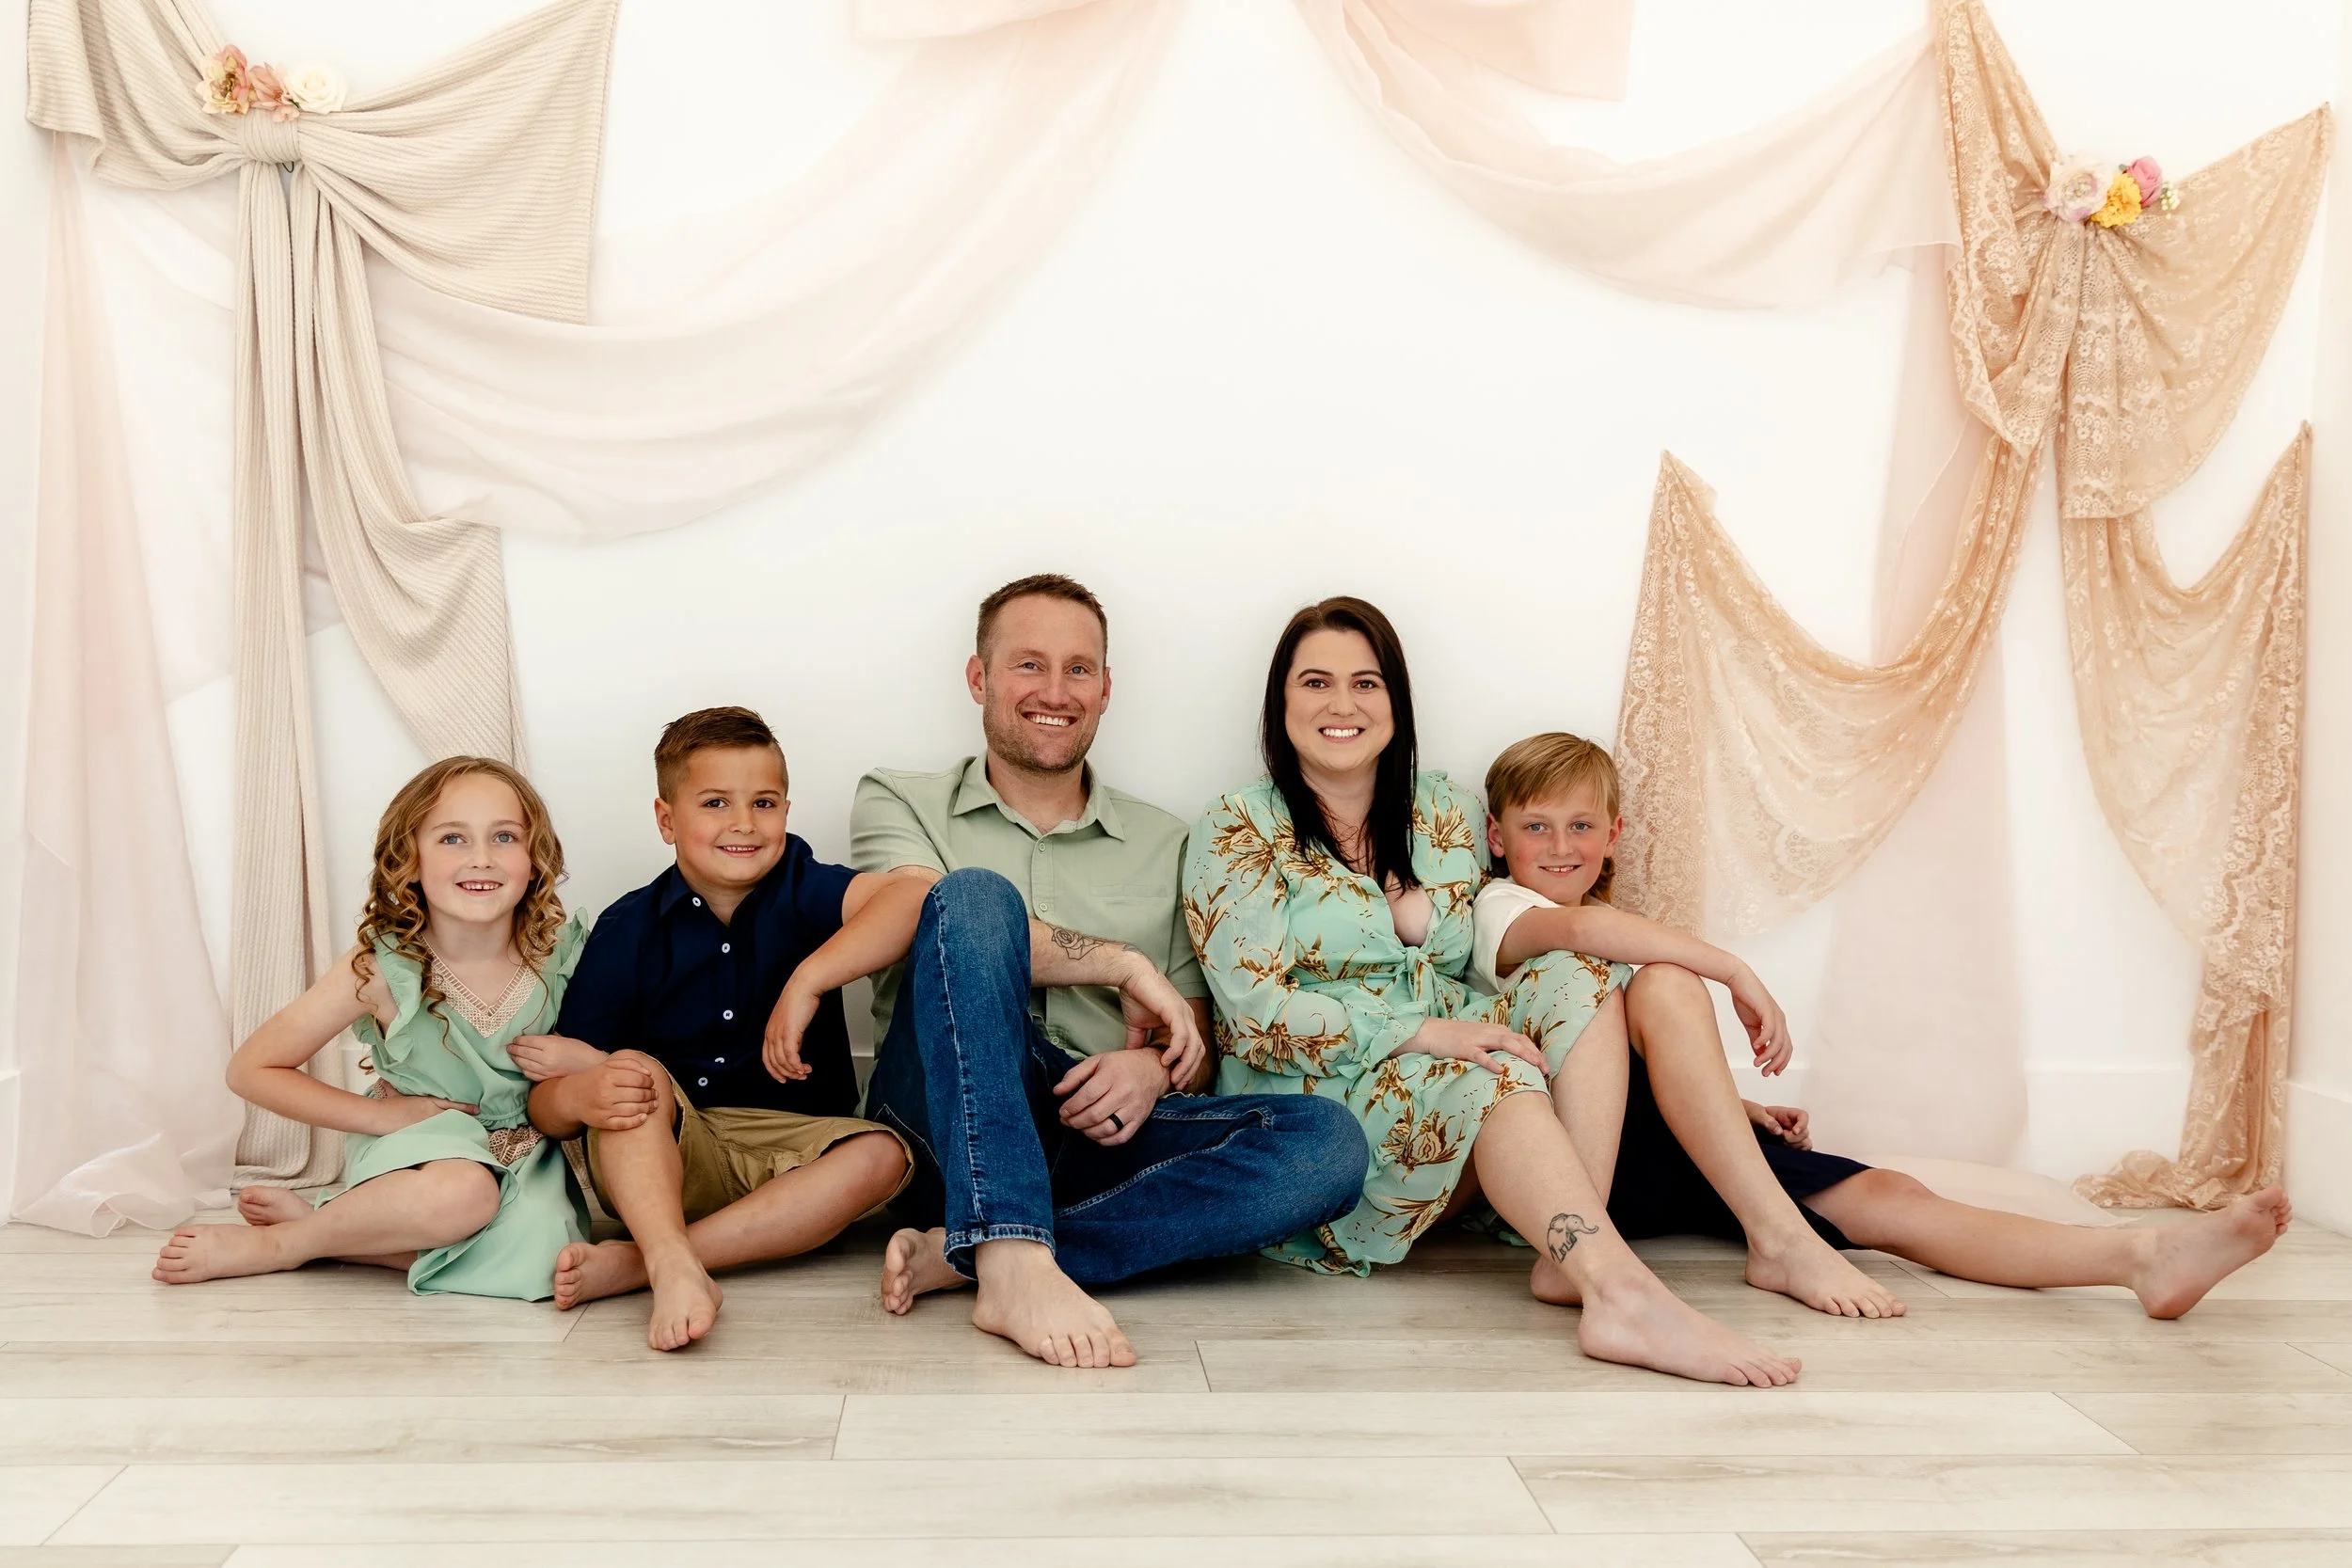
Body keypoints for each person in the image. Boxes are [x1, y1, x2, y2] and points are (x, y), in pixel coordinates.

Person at [1186, 596, 1800, 1387]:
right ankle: (1621, 1295)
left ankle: (1570, 1249)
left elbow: (1511, 952)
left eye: (1366, 683)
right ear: (1281, 702)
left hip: (1456, 1071)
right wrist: (1420, 1033)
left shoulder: (1442, 810)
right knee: (1494, 1066)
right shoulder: (1237, 826)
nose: (1342, 704)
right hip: (1325, 1098)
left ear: (1396, 701)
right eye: (1316, 682)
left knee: (1579, 975)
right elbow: (1252, 1014)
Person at [1473, 730, 2293, 1321]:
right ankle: (1769, 1240)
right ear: (1495, 838)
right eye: (1536, 826)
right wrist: (1732, 968)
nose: (1559, 844)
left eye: (1580, 825)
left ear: (1613, 836)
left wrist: (1734, 1106)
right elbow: (1579, 937)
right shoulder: (1499, 910)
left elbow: (1650, 1046)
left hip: (1672, 1146)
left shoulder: (1627, 931)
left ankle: (2143, 1259)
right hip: (1576, 1163)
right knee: (1667, 978)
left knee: (1892, 1197)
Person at [852, 574, 1370, 1370]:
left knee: (1326, 1143)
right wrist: (1121, 961)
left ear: (1106, 688)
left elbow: (1193, 1034)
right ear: (979, 678)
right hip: (938, 1116)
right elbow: (924, 919)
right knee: (972, 898)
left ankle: (984, 1253)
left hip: (1093, 1135)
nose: (1055, 691)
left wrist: (1150, 1072)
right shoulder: (898, 800)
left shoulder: (1170, 839)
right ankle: (1009, 1248)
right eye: (1028, 665)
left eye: (1079, 669)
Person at [516, 707, 918, 1351]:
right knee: (630, 1071)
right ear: (666, 819)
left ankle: (652, 1258)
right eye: (714, 802)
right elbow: (546, 1099)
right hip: (671, 1148)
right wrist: (584, 1090)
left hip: (795, 1151)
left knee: (883, 1154)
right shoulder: (629, 931)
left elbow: (916, 895)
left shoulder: (804, 890)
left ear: (787, 809)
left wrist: (808, 980)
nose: (743, 823)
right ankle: (669, 1255)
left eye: (763, 801)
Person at [153, 757, 590, 1300]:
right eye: (452, 838)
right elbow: (251, 1069)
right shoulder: (385, 967)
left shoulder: (562, 959)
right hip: (418, 1147)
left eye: (504, 836)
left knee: (551, 1263)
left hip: (524, 1152)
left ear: (534, 860)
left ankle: (334, 1230)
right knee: (462, 1195)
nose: (481, 858)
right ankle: (284, 1246)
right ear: (409, 861)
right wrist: (382, 1115)